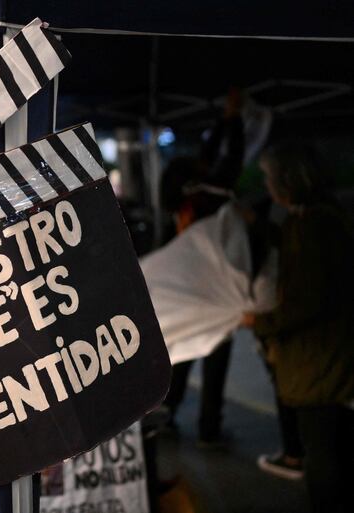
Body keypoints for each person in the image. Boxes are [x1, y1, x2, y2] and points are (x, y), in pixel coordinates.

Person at [243, 143, 354, 513]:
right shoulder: (315, 219)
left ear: (288, 181)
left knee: (322, 454)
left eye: (270, 178)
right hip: (325, 359)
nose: (267, 185)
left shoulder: (314, 225)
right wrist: (260, 226)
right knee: (329, 447)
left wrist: (259, 322)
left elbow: (307, 300)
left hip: (318, 364)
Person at [159, 89, 245, 447]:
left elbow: (209, 162)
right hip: (212, 291)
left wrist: (224, 120)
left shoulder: (179, 205)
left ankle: (167, 412)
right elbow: (229, 166)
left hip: (185, 291)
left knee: (181, 354)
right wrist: (233, 120)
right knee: (214, 361)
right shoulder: (208, 200)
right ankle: (209, 429)